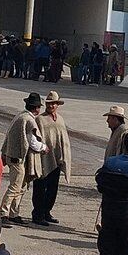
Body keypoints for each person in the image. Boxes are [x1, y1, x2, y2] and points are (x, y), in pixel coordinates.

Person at [0, 93, 46, 225]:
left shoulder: (20, 116)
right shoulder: (28, 120)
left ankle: (14, 213)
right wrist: (43, 147)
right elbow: (32, 142)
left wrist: (4, 152)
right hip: (17, 158)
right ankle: (3, 213)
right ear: (36, 108)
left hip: (13, 156)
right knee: (15, 187)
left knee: (22, 187)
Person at [33, 92, 71, 227]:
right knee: (40, 188)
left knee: (52, 188)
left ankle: (47, 212)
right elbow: (36, 138)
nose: (51, 106)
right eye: (48, 103)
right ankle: (37, 214)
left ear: (57, 105)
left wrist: (63, 156)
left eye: (53, 103)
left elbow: (63, 139)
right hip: (43, 159)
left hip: (56, 159)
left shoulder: (60, 119)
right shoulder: (40, 119)